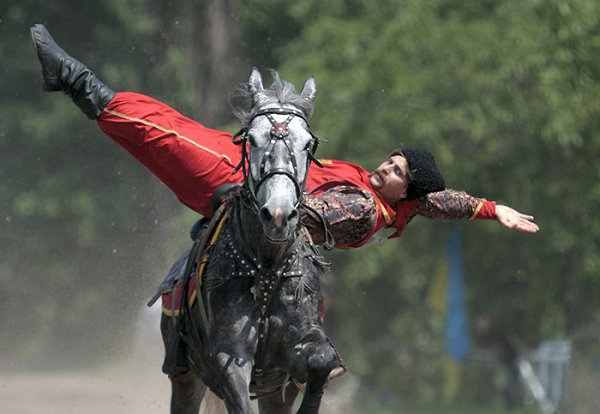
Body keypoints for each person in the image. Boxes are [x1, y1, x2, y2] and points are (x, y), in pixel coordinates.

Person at [30, 24, 539, 252]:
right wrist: (494, 210)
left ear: (403, 192)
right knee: (167, 118)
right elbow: (441, 202)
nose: (386, 167)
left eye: (397, 172)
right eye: (391, 160)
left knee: (157, 131)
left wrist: (253, 192)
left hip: (244, 187)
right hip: (257, 163)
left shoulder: (362, 208)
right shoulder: (400, 201)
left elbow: (295, 215)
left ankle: (74, 79)